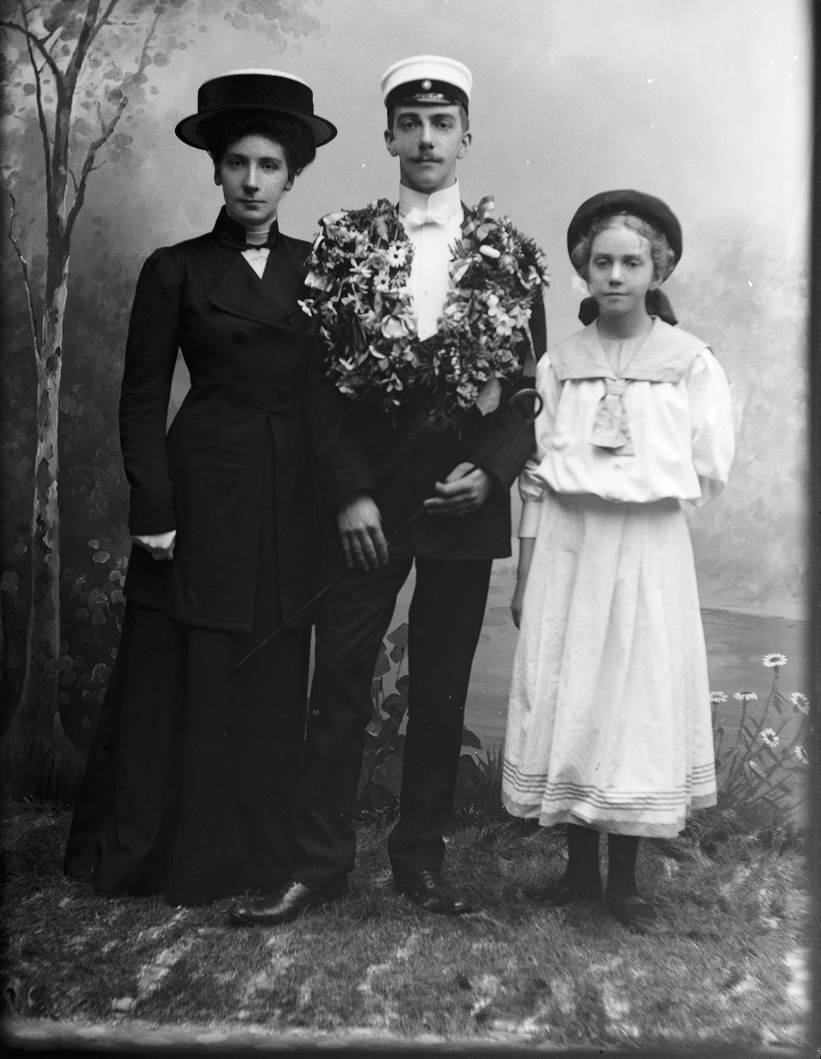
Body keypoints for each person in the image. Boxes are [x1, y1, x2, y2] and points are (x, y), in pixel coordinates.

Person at [228, 55, 547, 925]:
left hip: (461, 501)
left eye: (442, 124)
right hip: (366, 504)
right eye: (410, 124)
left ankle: (420, 862)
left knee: (439, 688)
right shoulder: (346, 245)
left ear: (466, 137)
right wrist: (349, 495)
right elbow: (318, 384)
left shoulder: (511, 256)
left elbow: (530, 394)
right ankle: (318, 865)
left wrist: (489, 471)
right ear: (388, 137)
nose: (426, 139)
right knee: (339, 680)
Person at [64, 70, 337, 906]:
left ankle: (259, 853)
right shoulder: (174, 269)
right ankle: (180, 853)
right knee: (189, 667)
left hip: (289, 493)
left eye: (269, 166)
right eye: (237, 164)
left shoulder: (323, 272)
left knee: (272, 665)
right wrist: (152, 506)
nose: (252, 181)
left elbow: (334, 398)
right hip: (202, 489)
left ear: (292, 177)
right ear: (216, 170)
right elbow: (142, 397)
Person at [502, 190, 735, 934]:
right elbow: (534, 476)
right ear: (583, 269)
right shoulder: (560, 364)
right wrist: (527, 571)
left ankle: (625, 883)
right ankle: (577, 870)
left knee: (633, 697)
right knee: (574, 688)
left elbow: (708, 465)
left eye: (631, 263)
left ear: (656, 269)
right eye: (601, 262)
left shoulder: (689, 363)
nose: (614, 276)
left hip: (645, 548)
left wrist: (640, 494)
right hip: (569, 546)